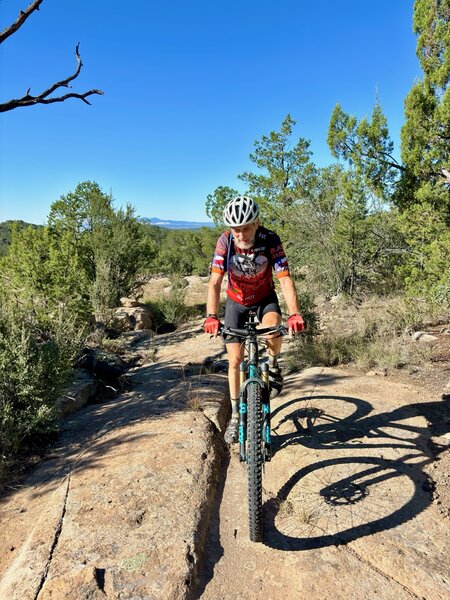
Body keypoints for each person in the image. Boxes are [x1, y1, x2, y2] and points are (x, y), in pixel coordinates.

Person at [204, 195, 305, 444]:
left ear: (256, 223)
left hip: (264, 298)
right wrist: (211, 316)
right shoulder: (225, 241)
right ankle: (237, 416)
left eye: (245, 228)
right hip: (236, 302)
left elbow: (284, 278)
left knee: (273, 331)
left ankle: (272, 363)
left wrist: (294, 313)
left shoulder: (269, 240)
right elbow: (215, 282)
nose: (240, 234)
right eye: (235, 229)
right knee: (235, 360)